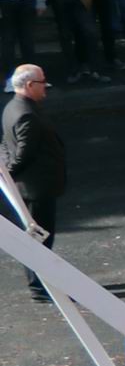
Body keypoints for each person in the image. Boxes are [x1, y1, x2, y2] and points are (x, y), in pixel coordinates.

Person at [2, 64, 63, 300]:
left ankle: (42, 284)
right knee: (40, 240)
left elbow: (9, 146)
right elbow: (22, 156)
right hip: (37, 188)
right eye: (42, 83)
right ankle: (41, 287)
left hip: (31, 187)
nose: (45, 87)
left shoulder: (13, 108)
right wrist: (8, 174)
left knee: (37, 238)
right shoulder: (26, 114)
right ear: (29, 85)